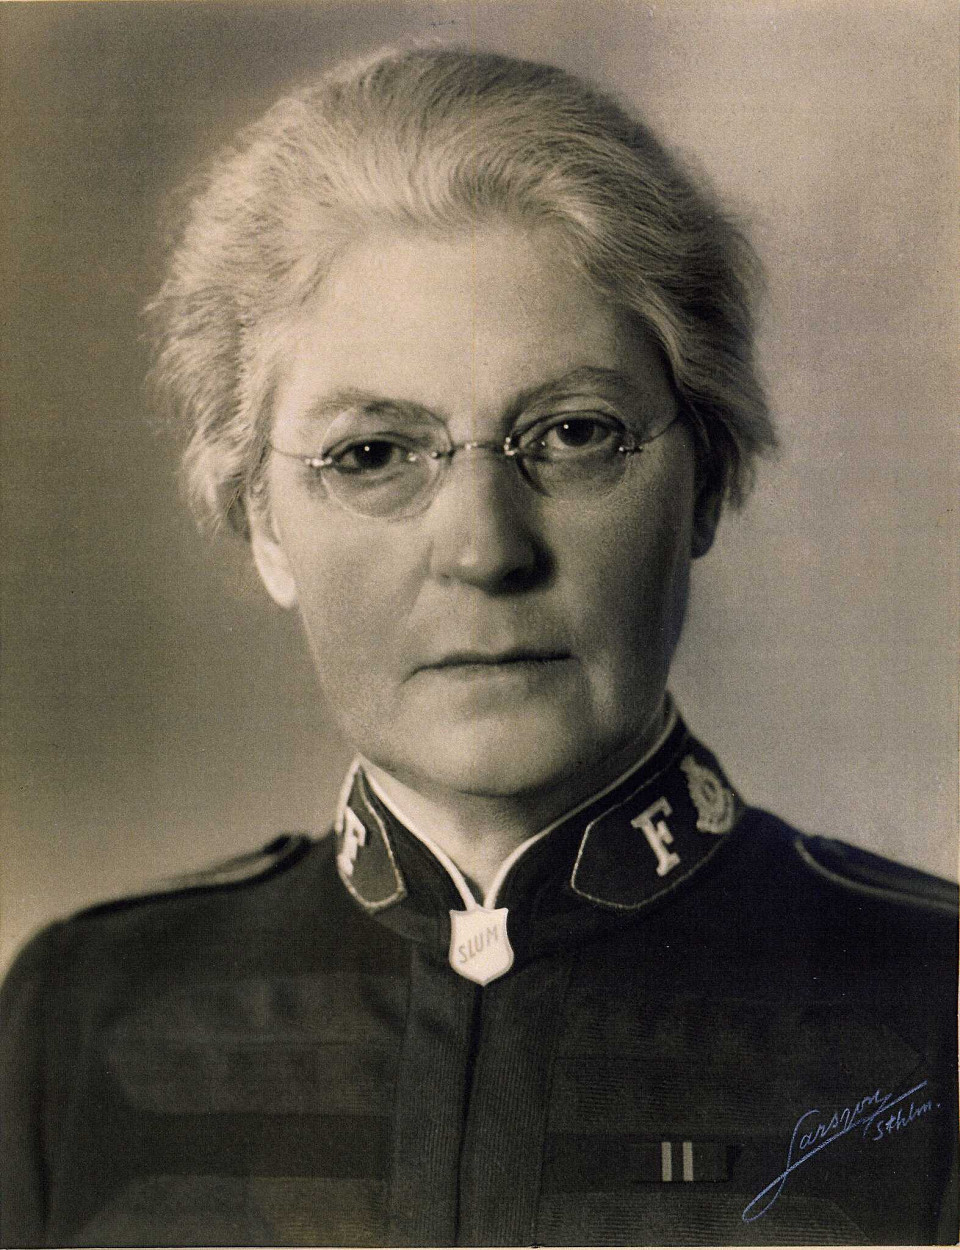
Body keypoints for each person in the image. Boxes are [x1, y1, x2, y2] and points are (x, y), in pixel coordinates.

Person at [0, 45, 956, 1248]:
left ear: (706, 481)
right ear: (263, 524)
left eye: (575, 433)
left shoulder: (936, 999)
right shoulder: (78, 1020)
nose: (485, 549)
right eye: (372, 453)